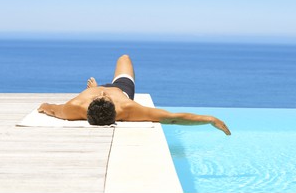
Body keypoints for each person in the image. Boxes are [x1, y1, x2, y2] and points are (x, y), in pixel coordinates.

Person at [38, 54, 231, 135]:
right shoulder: (128, 108)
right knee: (125, 57)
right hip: (122, 88)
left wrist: (44, 106)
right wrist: (209, 119)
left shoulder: (73, 109)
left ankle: (90, 87)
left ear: (88, 106)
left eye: (99, 95)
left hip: (88, 92)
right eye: (104, 96)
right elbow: (171, 118)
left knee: (121, 59)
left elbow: (52, 110)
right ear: (116, 108)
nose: (103, 92)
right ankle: (98, 87)